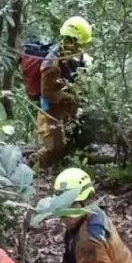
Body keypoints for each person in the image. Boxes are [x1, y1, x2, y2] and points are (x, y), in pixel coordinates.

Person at [30, 168, 132, 263]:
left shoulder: (89, 241)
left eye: (71, 205)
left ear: (84, 201)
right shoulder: (91, 214)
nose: (64, 213)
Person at [34, 16, 92, 171]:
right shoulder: (51, 65)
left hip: (66, 111)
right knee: (53, 148)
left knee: (69, 142)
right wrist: (70, 96)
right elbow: (48, 93)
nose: (81, 48)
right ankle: (29, 169)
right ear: (70, 41)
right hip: (50, 112)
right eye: (80, 45)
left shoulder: (71, 56)